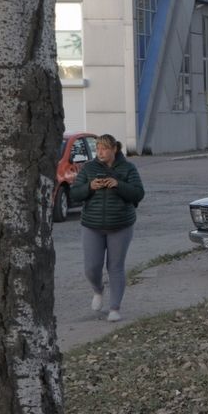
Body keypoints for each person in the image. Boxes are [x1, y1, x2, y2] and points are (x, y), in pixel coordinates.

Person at [69, 134, 145, 322]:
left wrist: (118, 185)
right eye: (98, 148)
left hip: (121, 226)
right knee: (91, 268)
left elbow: (138, 194)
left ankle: (114, 308)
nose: (100, 152)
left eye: (104, 149)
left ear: (114, 150)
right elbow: (75, 194)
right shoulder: (89, 168)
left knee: (115, 267)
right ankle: (98, 290)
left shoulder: (128, 168)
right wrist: (90, 186)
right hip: (92, 226)